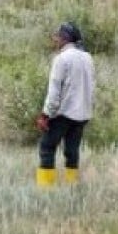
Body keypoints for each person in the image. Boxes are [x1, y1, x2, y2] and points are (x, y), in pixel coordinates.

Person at [36, 22, 95, 186]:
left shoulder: (61, 59)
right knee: (72, 151)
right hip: (83, 113)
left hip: (63, 113)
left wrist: (45, 115)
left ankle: (45, 189)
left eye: (57, 36)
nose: (55, 40)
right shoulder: (87, 57)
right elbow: (91, 86)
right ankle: (71, 185)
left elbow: (54, 91)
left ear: (65, 38)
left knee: (47, 147)